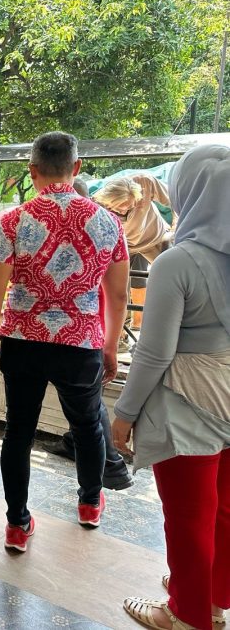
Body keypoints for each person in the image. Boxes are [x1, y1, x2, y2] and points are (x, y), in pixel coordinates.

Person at [0, 131, 129, 552]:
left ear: (33, 171)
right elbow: (117, 295)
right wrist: (111, 346)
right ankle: (88, 504)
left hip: (23, 342)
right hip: (81, 343)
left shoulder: (12, 221)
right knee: (86, 427)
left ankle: (16, 524)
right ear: (77, 168)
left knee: (19, 432)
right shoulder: (108, 223)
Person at [112, 145, 230, 630]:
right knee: (224, 510)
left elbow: (154, 353)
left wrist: (123, 412)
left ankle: (185, 614)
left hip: (187, 401)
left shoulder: (176, 262)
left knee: (187, 515)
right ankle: (216, 600)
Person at [93, 174, 173, 263]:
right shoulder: (96, 207)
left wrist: (176, 226)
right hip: (127, 246)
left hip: (158, 234)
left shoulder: (145, 182)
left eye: (130, 207)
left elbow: (176, 200)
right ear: (108, 203)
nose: (123, 212)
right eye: (119, 210)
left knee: (169, 268)